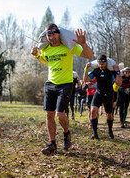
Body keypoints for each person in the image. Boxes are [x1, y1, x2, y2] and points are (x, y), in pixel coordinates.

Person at [31, 23, 93, 154]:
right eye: (49, 35)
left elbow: (88, 55)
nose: (51, 37)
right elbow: (44, 61)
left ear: (59, 34)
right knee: (49, 115)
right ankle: (52, 143)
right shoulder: (46, 49)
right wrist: (37, 55)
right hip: (50, 84)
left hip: (65, 83)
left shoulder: (69, 47)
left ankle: (66, 132)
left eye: (54, 34)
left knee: (60, 116)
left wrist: (83, 44)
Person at [83, 55, 122, 139]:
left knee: (109, 115)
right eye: (100, 64)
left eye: (103, 64)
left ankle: (110, 131)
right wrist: (86, 69)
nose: (101, 65)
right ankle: (94, 133)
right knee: (93, 111)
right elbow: (86, 80)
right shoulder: (96, 71)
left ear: (106, 62)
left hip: (108, 94)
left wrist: (117, 71)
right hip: (98, 93)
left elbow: (119, 83)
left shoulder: (110, 72)